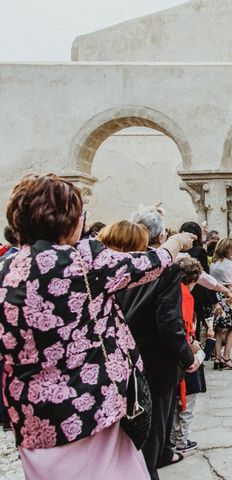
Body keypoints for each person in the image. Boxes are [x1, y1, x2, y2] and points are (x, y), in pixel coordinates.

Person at [0, 173, 194, 479]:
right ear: (68, 219)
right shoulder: (82, 258)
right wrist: (174, 244)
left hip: (32, 414)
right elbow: (144, 266)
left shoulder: (7, 266)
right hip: (89, 407)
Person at [117, 206, 201, 479]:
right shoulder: (165, 270)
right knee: (152, 436)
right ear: (161, 235)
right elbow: (169, 322)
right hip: (156, 364)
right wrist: (187, 359)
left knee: (127, 435)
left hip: (122, 362)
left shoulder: (118, 264)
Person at [171, 257, 206, 456]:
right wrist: (191, 346)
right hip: (183, 357)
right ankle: (181, 440)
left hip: (178, 352)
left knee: (177, 404)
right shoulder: (185, 296)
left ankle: (175, 438)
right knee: (185, 403)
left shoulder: (174, 292)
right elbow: (182, 326)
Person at [209, 238, 232, 370]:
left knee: (218, 329)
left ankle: (217, 358)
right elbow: (230, 285)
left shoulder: (214, 262)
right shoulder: (228, 264)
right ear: (226, 249)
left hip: (217, 296)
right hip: (227, 297)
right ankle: (226, 357)